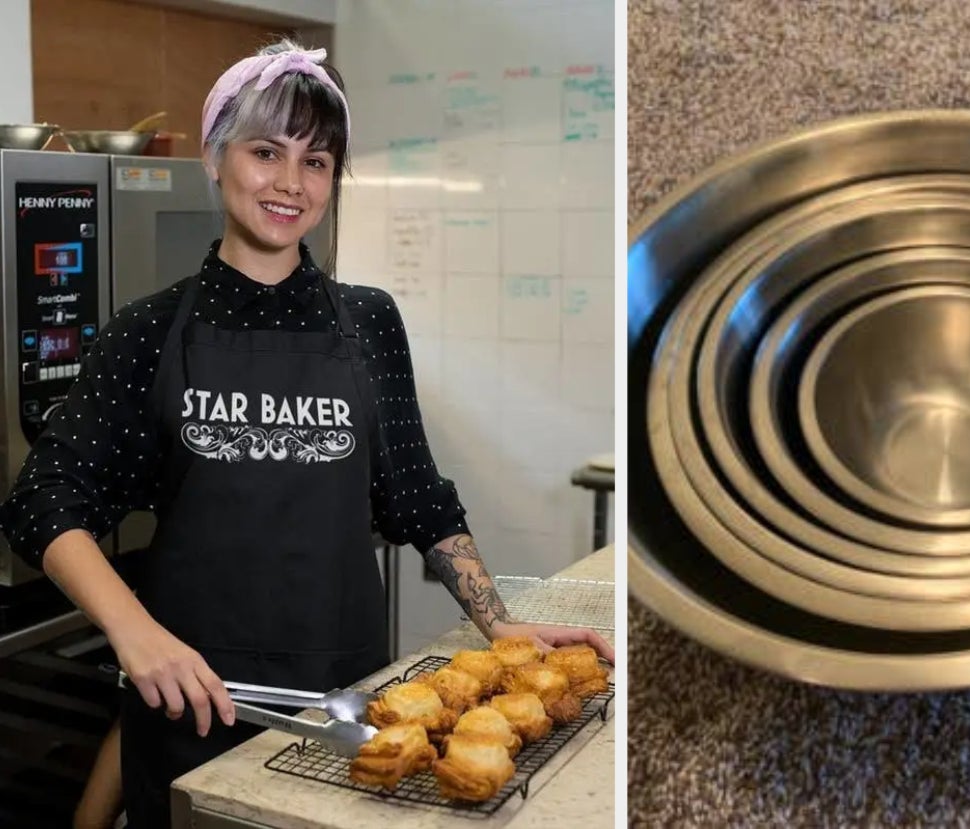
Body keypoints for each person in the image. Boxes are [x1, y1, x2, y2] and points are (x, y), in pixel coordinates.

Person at [0, 39, 613, 829]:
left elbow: (417, 498)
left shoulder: (367, 321)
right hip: (189, 707)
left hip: (347, 708)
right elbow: (43, 500)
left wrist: (502, 622)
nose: (291, 182)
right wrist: (136, 635)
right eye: (266, 151)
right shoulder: (146, 332)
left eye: (317, 161)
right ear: (216, 160)